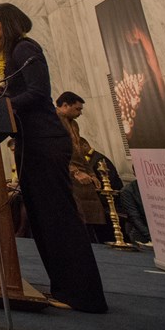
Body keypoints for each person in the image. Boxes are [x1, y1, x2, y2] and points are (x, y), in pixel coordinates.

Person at [0, 2, 107, 312]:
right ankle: (64, 288)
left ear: (6, 23)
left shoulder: (25, 48)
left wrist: (1, 107)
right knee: (41, 218)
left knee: (58, 217)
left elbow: (38, 93)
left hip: (45, 140)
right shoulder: (8, 54)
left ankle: (84, 294)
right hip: (29, 140)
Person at [54, 91, 106, 231]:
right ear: (65, 105)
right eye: (78, 109)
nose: (80, 113)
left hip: (82, 172)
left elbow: (80, 152)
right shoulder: (53, 120)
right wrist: (75, 172)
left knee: (91, 214)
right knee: (75, 214)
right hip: (65, 172)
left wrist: (92, 173)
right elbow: (55, 151)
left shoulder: (74, 124)